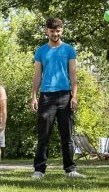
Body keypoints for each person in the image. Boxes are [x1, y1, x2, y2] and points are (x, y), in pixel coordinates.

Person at [31, 17, 84, 179]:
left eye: (58, 30)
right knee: (43, 135)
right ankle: (39, 170)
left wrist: (74, 96)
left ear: (62, 31)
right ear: (47, 31)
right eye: (52, 30)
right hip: (46, 97)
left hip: (65, 96)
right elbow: (37, 76)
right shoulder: (40, 51)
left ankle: (70, 170)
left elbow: (73, 75)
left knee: (67, 135)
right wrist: (33, 96)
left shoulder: (69, 49)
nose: (55, 33)